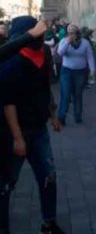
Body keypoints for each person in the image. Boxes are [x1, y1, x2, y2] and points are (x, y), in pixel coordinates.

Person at [0, 16, 64, 234]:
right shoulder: (11, 61)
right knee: (6, 185)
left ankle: (49, 224)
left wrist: (52, 115)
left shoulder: (43, 54)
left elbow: (44, 87)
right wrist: (17, 137)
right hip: (14, 133)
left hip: (38, 130)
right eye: (35, 30)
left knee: (48, 177)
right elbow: (8, 102)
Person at [56, 24, 96, 125]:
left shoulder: (85, 43)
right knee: (65, 94)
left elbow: (90, 56)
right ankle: (61, 117)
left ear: (77, 32)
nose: (71, 34)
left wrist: (92, 70)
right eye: (69, 32)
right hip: (66, 71)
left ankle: (77, 115)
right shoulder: (64, 41)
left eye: (73, 31)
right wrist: (67, 43)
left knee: (77, 94)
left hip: (80, 72)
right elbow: (60, 53)